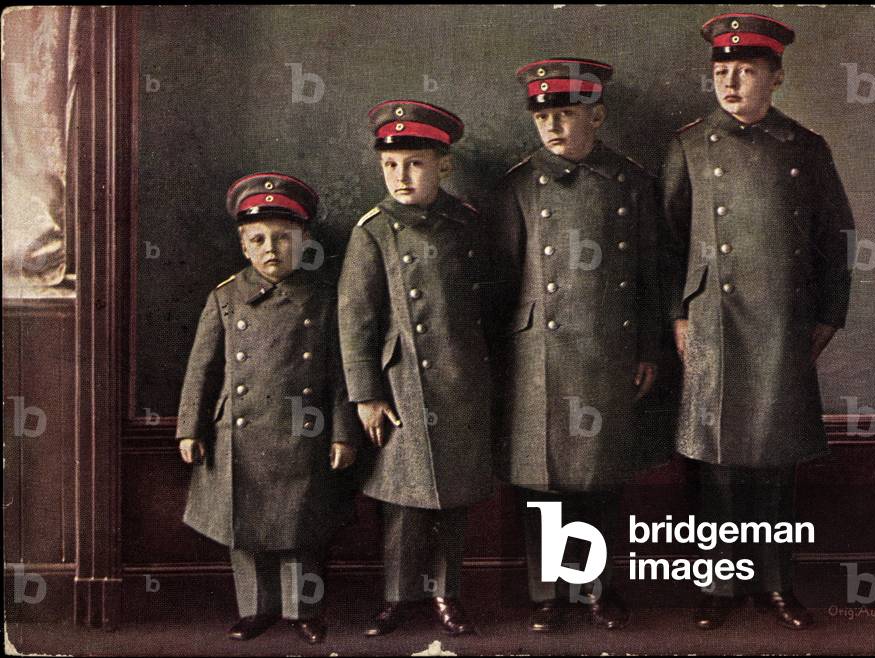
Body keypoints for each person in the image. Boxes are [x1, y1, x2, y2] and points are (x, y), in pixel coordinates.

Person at [661, 13, 855, 631]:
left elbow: (838, 238)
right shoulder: (689, 145)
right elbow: (665, 242)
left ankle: (775, 584)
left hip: (783, 325)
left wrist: (826, 317)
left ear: (776, 76)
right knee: (716, 463)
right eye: (722, 71)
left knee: (776, 462)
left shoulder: (805, 147)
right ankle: (718, 587)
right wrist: (676, 314)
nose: (732, 82)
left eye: (747, 70)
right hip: (712, 322)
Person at [490, 57, 662, 632]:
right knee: (543, 483)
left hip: (607, 348)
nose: (554, 128)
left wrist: (648, 349)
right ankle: (547, 594)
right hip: (538, 353)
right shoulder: (517, 186)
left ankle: (597, 588)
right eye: (544, 117)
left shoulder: (631, 183)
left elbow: (650, 277)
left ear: (598, 116)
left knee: (599, 479)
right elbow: (501, 280)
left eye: (567, 115)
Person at [176, 172, 361, 644]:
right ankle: (255, 609)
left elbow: (340, 374)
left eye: (284, 237)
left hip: (304, 430)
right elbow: (202, 369)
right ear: (243, 246)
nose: (271, 248)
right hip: (237, 436)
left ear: (304, 241)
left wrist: (342, 432)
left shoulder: (323, 301)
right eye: (258, 239)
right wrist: (189, 429)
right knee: (245, 528)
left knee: (302, 526)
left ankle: (304, 611)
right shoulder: (224, 297)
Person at [338, 100, 492, 637]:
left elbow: (488, 306)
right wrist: (365, 395)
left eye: (415, 163)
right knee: (403, 503)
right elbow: (355, 319)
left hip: (462, 382)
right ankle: (397, 597)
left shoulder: (466, 223)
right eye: (391, 165)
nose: (401, 177)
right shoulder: (373, 230)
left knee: (454, 498)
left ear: (443, 164)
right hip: (400, 387)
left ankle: (448, 595)